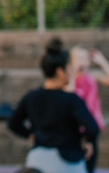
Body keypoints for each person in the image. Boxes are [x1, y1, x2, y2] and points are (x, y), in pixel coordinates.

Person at [7, 38, 99, 173]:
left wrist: (31, 135)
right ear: (60, 71)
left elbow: (13, 123)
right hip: (67, 162)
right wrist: (85, 141)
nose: (71, 71)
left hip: (37, 160)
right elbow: (92, 128)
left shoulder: (31, 96)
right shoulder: (71, 99)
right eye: (69, 67)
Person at [67, 46, 109, 173]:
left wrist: (102, 61)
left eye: (85, 58)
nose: (83, 61)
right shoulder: (70, 80)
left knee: (91, 161)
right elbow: (69, 93)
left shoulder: (92, 77)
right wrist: (73, 73)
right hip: (75, 128)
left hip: (91, 126)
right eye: (79, 58)